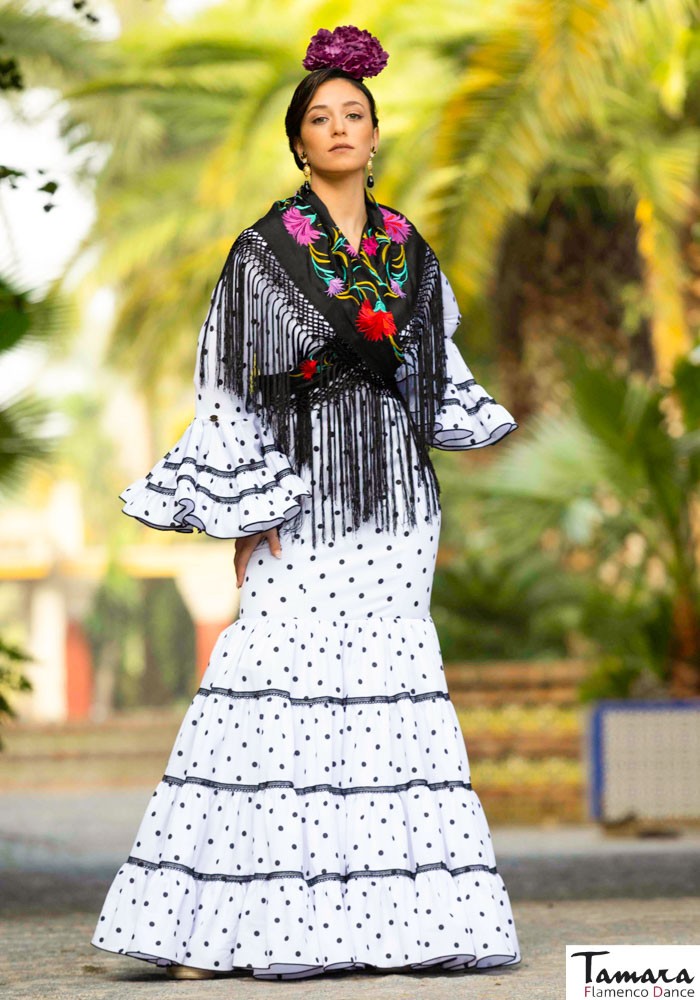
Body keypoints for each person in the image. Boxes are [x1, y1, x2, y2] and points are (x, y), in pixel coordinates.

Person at [90, 24, 522, 982]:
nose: (337, 128)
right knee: (264, 692)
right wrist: (247, 513)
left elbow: (435, 369)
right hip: (301, 504)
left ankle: (406, 928)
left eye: (353, 116)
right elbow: (227, 390)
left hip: (398, 513)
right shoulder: (260, 253)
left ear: (375, 137)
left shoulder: (414, 252)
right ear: (299, 143)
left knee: (392, 698)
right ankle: (215, 926)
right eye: (319, 118)